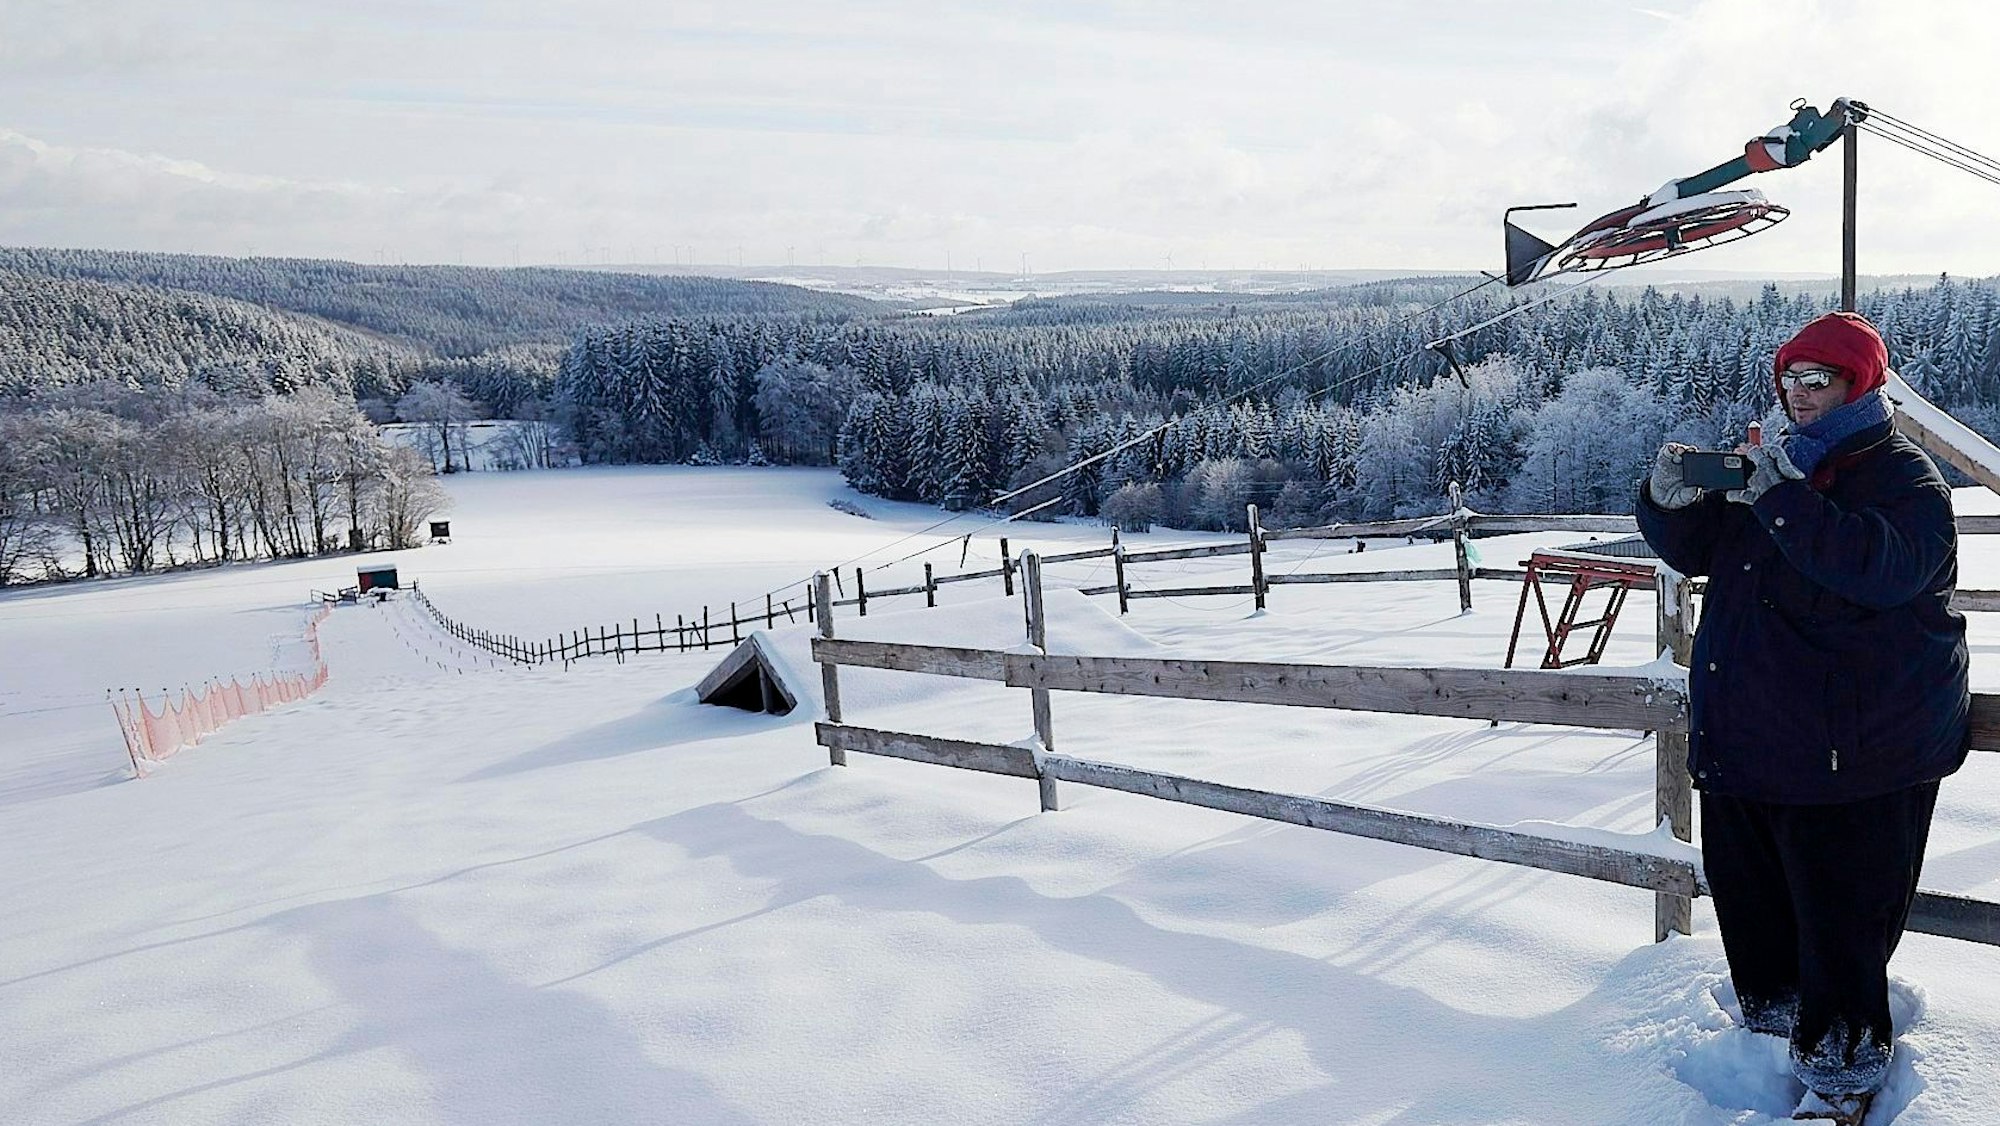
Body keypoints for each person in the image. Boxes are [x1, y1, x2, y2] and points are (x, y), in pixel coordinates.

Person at [1635, 311, 1969, 1115]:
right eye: (1789, 378)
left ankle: (1841, 1082)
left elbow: (1881, 570)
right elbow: (1707, 550)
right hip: (1752, 743)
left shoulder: (1905, 478)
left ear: (1860, 385)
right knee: (1756, 915)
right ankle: (1770, 1041)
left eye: (1818, 379)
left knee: (1840, 932)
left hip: (1852, 758)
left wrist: (1780, 498)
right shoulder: (1781, 466)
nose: (1799, 393)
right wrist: (1667, 503)